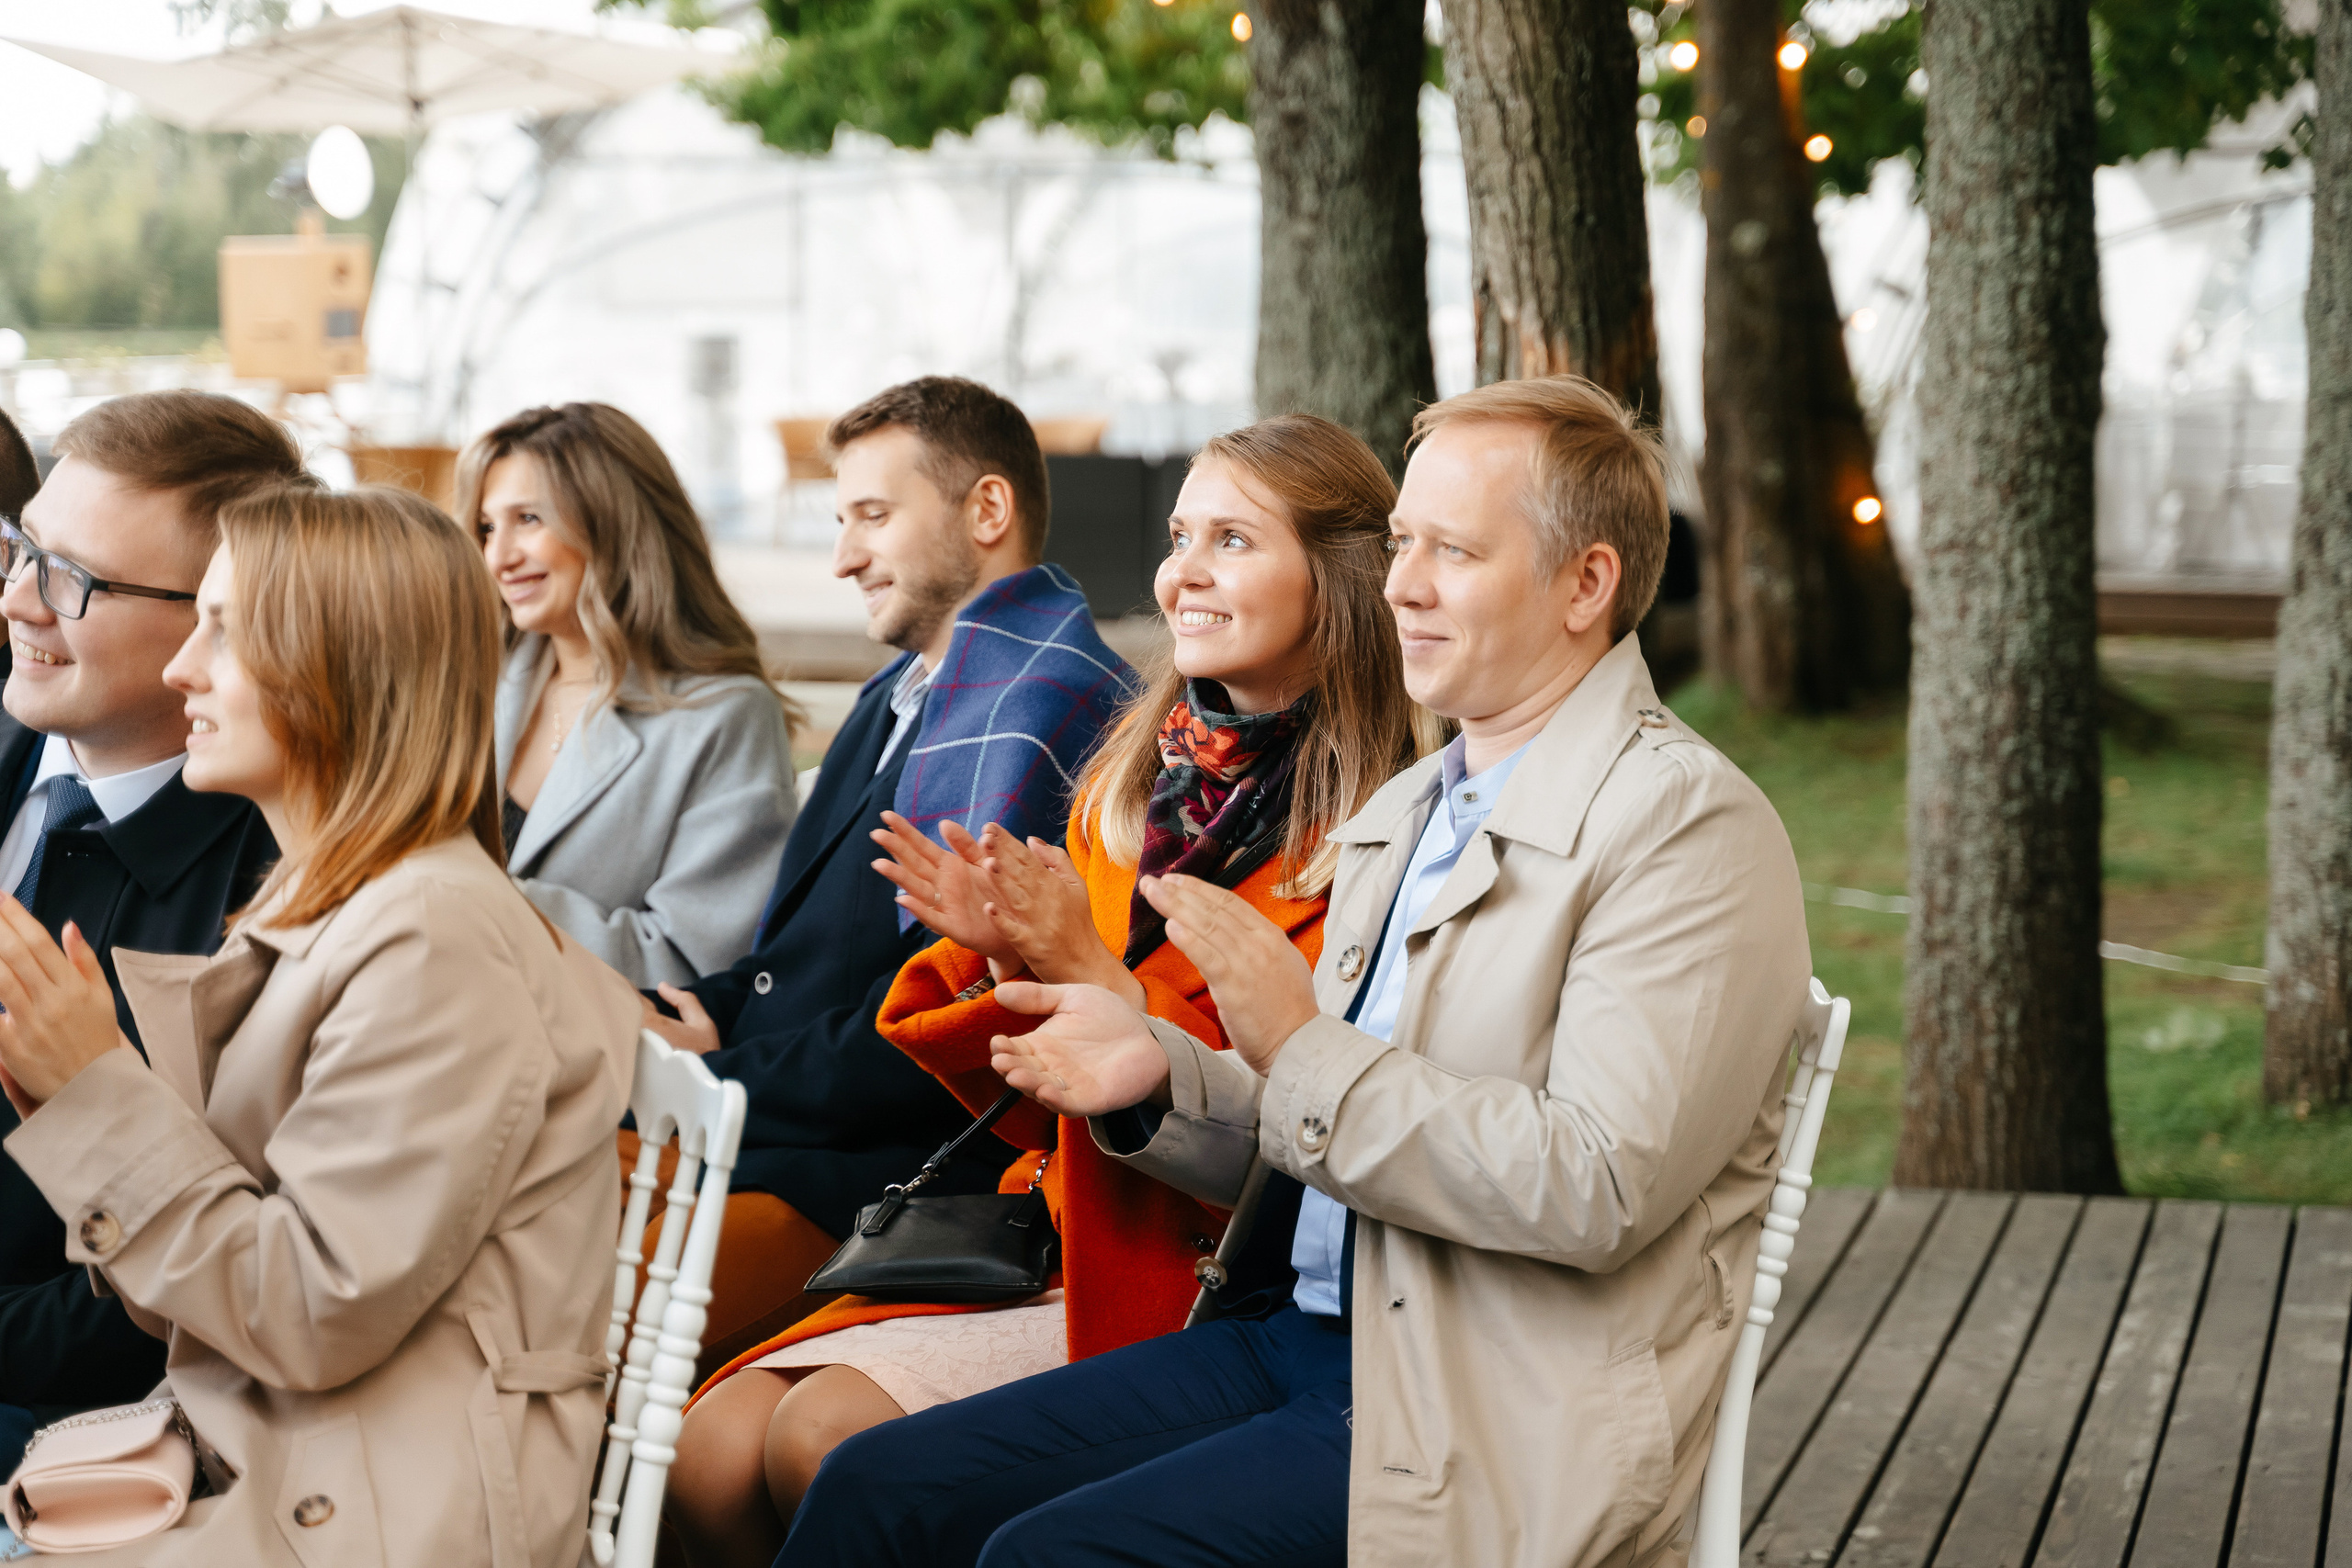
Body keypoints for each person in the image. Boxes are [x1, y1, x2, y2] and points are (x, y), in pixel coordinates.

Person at [776, 375, 1815, 1568]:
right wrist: (1155, 1075)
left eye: (1455, 552)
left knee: (1050, 1553)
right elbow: (1311, 1135)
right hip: (1302, 1329)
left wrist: (1299, 1042)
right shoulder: (1413, 807)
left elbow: (1595, 1187)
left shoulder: (1686, 829)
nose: (1404, 585)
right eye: (1404, 543)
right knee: (878, 1490)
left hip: (1488, 1398)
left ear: (1587, 583)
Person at [664, 414, 1431, 1567]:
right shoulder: (1133, 778)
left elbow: (1285, 1134)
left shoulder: (1384, 828)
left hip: (1190, 1267)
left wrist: (1084, 969)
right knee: (708, 1450)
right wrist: (997, 951)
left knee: (819, 1440)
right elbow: (1018, 1095)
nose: (1184, 572)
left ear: (1338, 576)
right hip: (1042, 1222)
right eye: (1181, 536)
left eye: (1233, 540)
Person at [0, 483, 638, 1567]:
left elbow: (305, 1313)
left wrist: (97, 1093)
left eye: (227, 631)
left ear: (343, 671)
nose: (181, 669)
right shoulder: (347, 903)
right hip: (275, 1463)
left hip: (370, 1512)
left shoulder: (433, 935)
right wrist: (78, 1088)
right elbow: (209, 1302)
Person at [636, 376, 1136, 1376]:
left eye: (872, 516)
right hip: (792, 1112)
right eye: (839, 520)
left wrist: (695, 1079)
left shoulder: (1049, 705)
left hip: (892, 1171)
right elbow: (797, 960)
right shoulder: (901, 695)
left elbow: (929, 1034)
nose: (842, 557)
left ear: (986, 510)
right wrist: (690, 1014)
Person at [0, 392, 294, 1466]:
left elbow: (159, 1301)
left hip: (75, 1418)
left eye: (72, 578)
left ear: (218, 622)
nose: (20, 601)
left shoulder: (269, 892)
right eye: (22, 547)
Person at [463, 401, 801, 987]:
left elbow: (696, 961)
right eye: (488, 527)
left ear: (611, 522)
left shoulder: (724, 715)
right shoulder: (474, 685)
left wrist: (468, 901)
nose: (499, 557)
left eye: (529, 520)